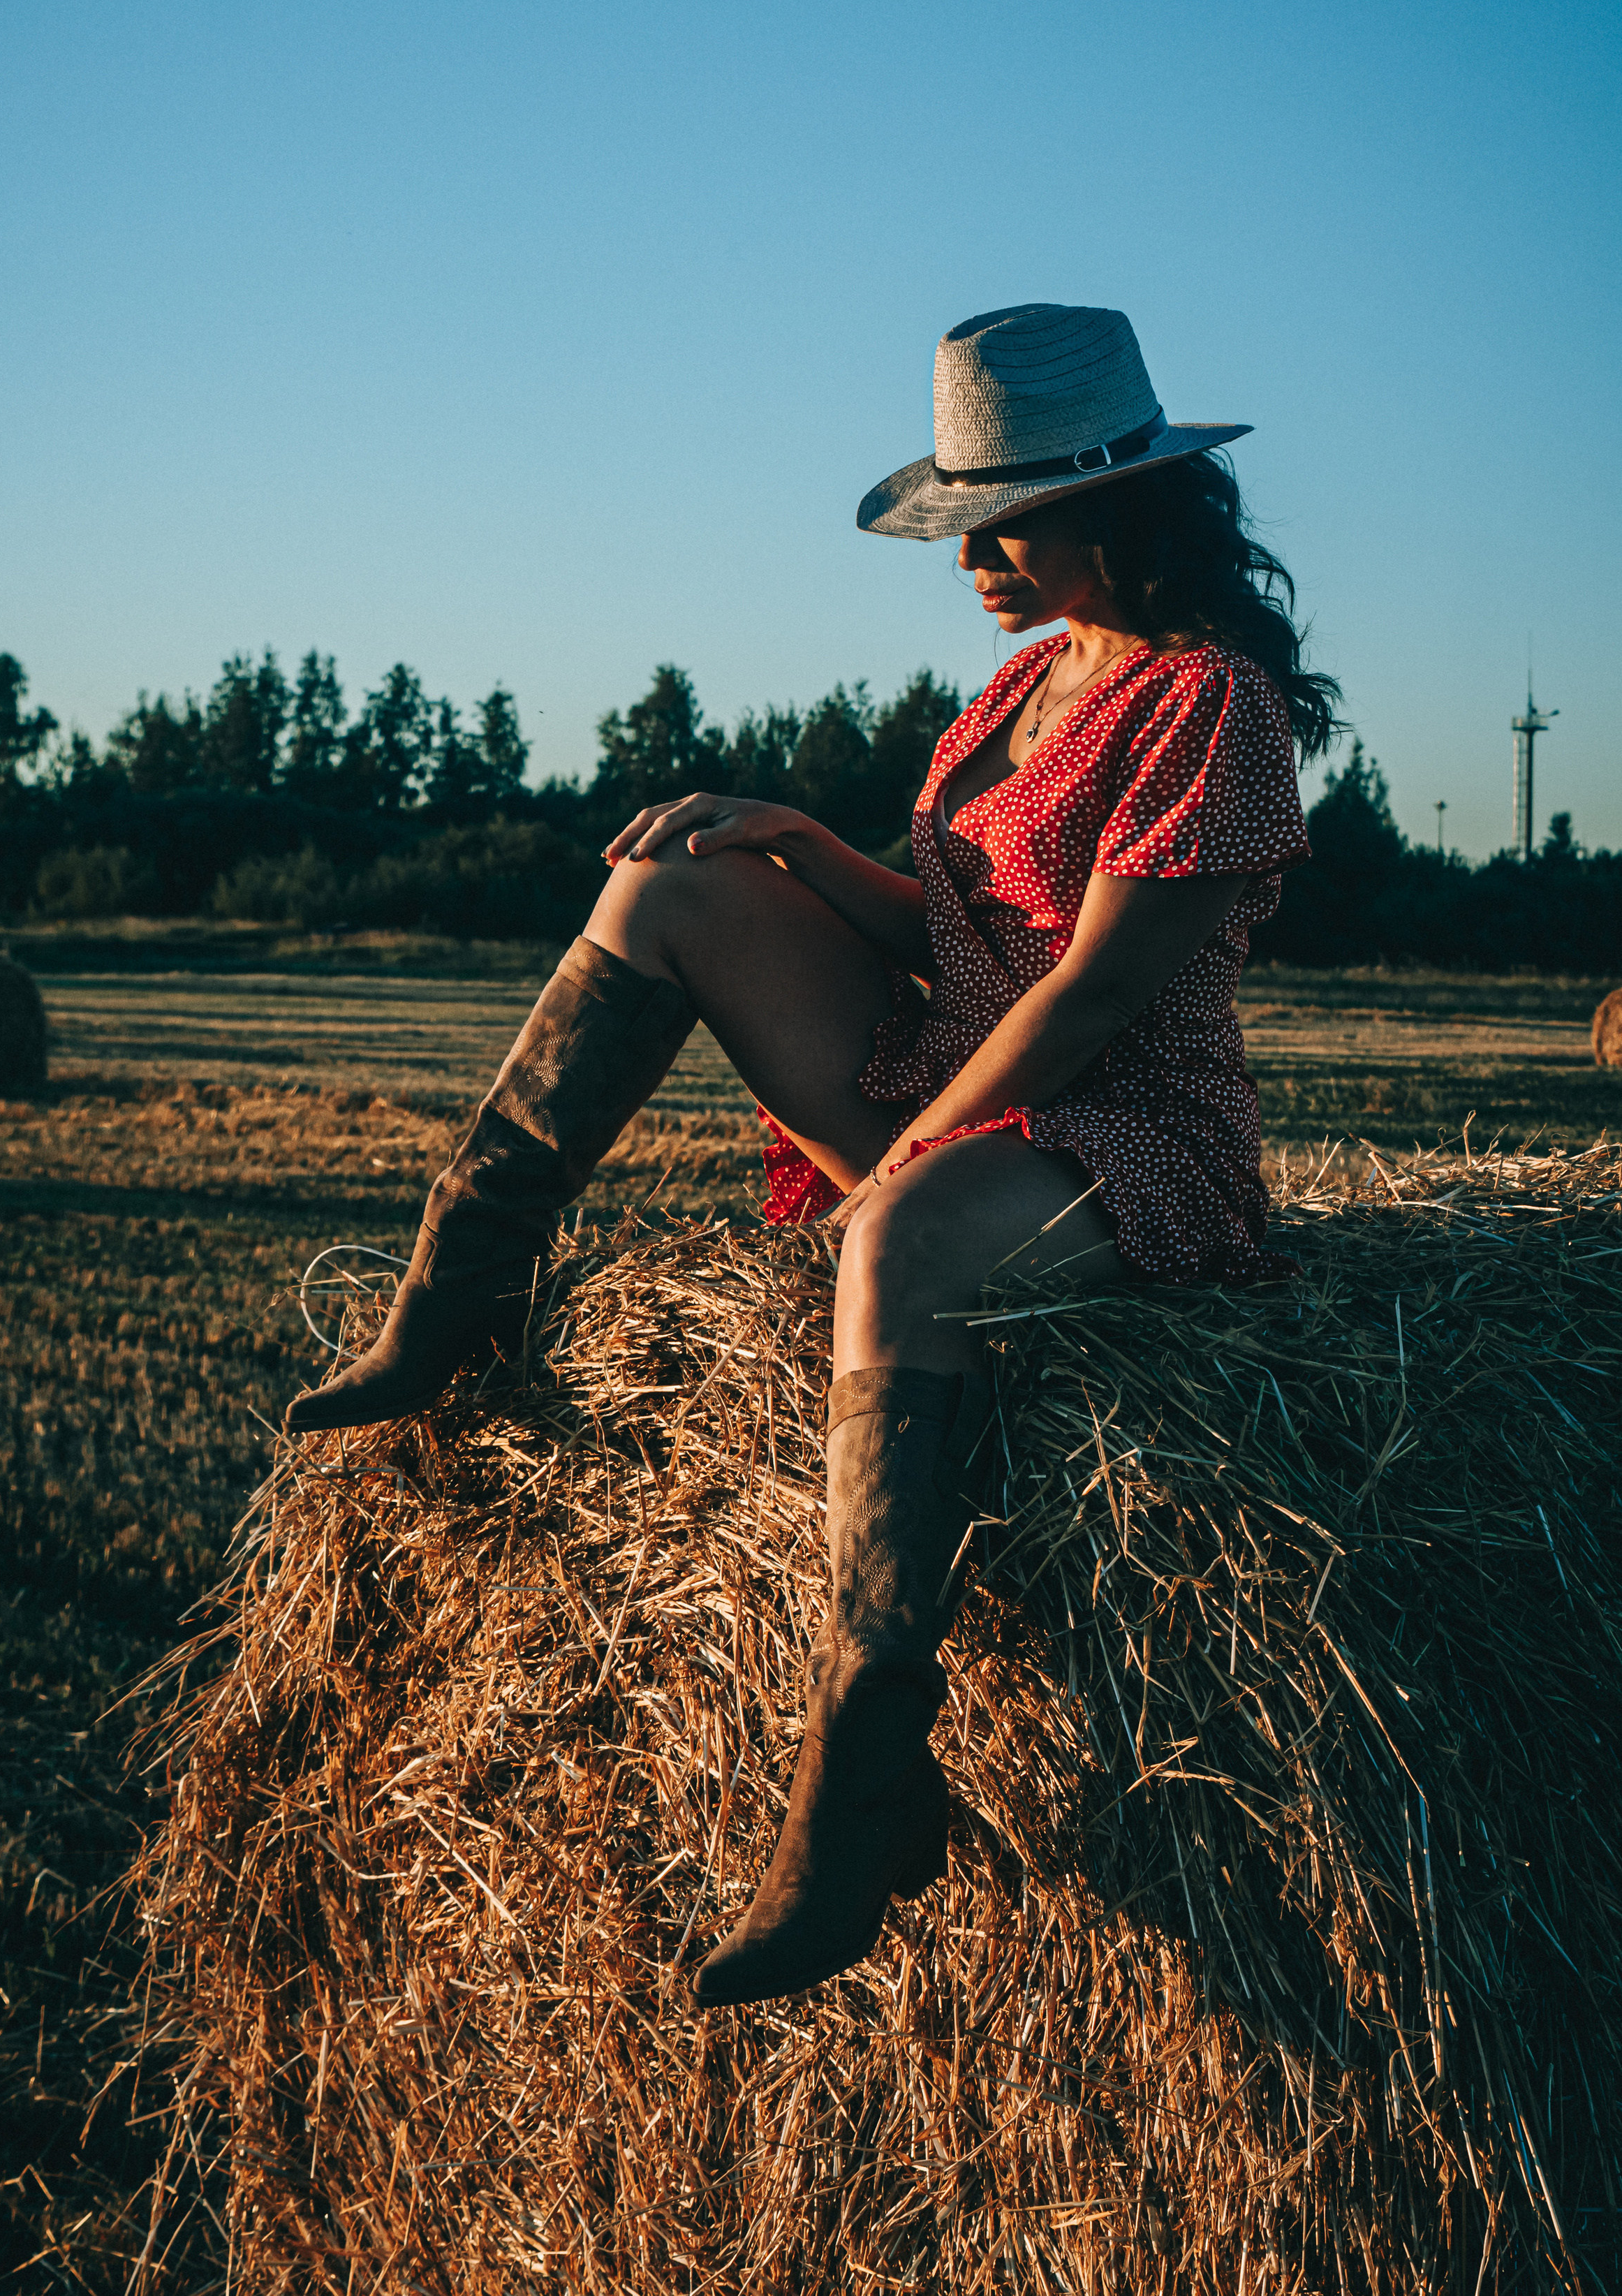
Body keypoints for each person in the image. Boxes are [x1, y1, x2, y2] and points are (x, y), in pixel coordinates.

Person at [287, 302, 1339, 2010]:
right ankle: (457, 1289)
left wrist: (902, 1158)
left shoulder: (1207, 704)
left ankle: (864, 1773)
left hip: (1121, 1136)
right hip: (952, 1071)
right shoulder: (1022, 681)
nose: (971, 556)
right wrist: (792, 843)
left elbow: (1085, 995)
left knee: (896, 1244)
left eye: (998, 520)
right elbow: (956, 924)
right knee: (669, 884)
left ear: (1120, 504)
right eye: (957, 523)